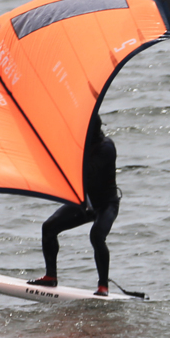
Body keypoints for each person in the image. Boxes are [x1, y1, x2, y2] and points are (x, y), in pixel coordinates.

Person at [28, 114, 120, 296]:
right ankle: (50, 277)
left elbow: (87, 172)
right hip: (85, 203)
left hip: (106, 205)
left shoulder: (106, 147)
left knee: (97, 236)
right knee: (49, 227)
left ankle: (103, 286)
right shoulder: (81, 146)